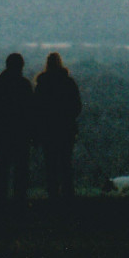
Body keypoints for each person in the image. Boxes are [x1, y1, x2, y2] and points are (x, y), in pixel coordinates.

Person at [0, 52, 35, 207]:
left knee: (2, 167)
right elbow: (30, 111)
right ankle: (20, 199)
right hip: (21, 132)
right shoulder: (24, 84)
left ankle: (0, 199)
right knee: (21, 168)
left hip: (3, 131)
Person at [34, 52, 83, 202]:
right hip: (66, 129)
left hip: (48, 130)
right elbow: (77, 106)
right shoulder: (68, 82)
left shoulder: (42, 83)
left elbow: (36, 108)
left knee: (51, 164)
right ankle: (68, 194)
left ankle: (53, 194)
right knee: (66, 163)